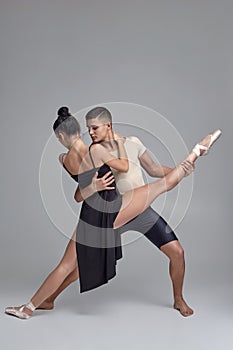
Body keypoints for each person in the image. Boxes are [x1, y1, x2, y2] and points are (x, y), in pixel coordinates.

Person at [5, 106, 221, 319]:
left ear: (107, 125)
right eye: (88, 129)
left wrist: (174, 169)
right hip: (118, 209)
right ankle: (197, 151)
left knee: (176, 252)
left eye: (95, 128)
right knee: (81, 264)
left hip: (129, 211)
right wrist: (107, 161)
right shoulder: (95, 150)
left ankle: (36, 304)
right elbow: (110, 173)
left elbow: (154, 169)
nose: (91, 133)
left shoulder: (127, 144)